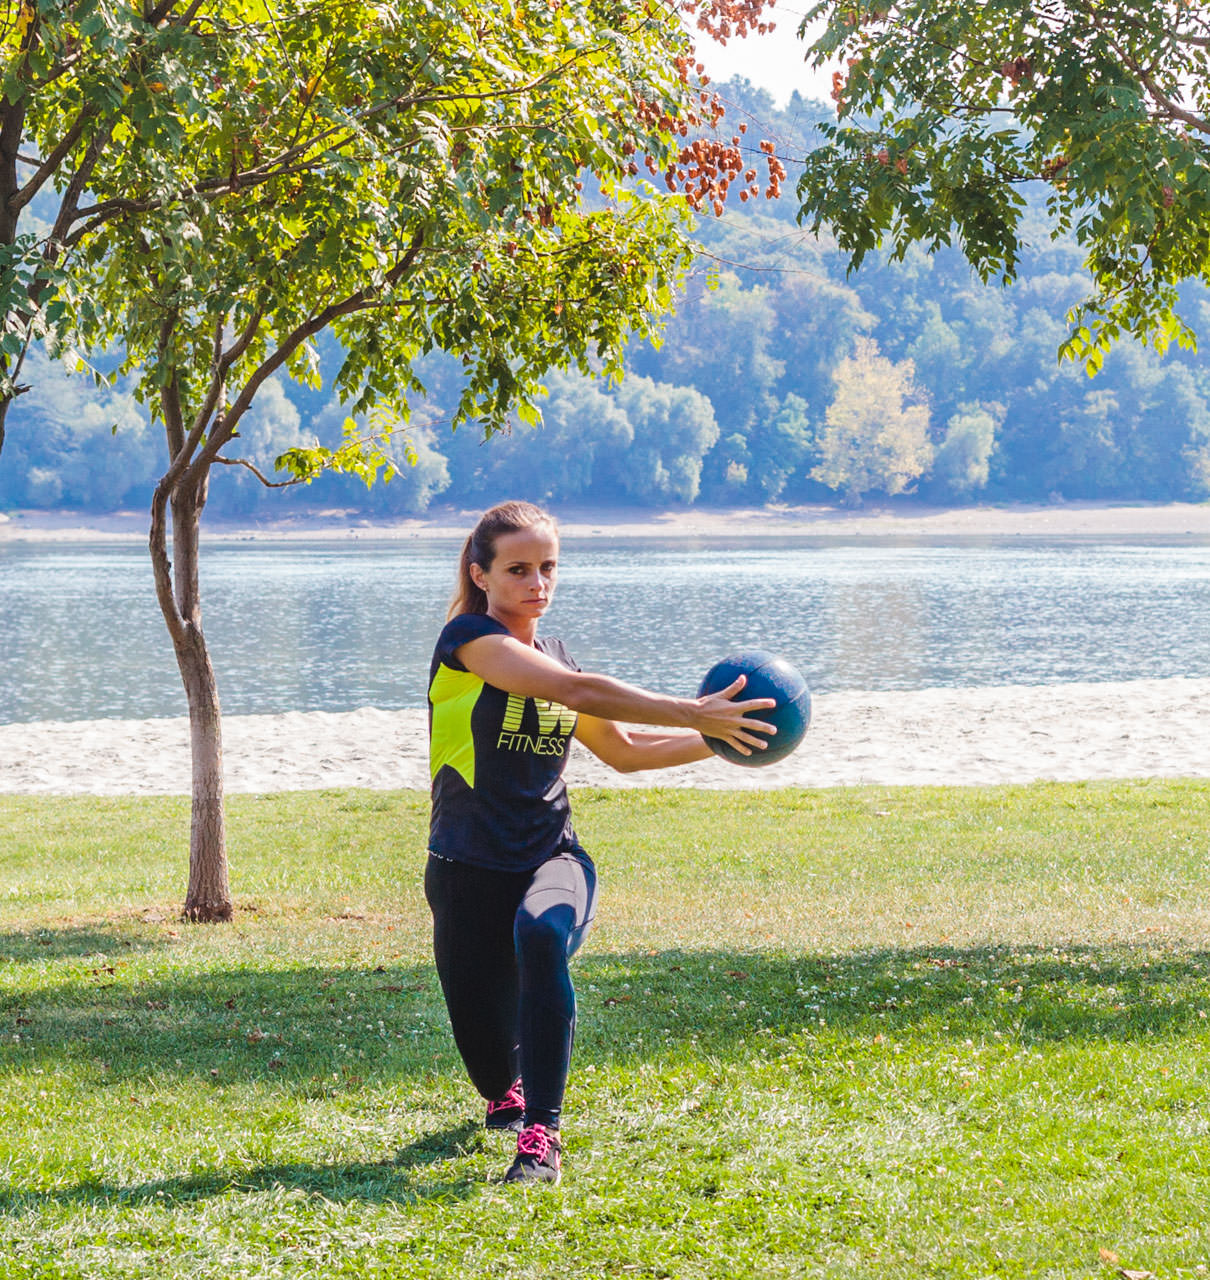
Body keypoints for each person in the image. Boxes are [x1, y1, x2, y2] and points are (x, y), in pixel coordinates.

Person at [425, 500, 775, 1185]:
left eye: (548, 567)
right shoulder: (468, 644)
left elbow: (626, 751)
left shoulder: (555, 654)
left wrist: (723, 739)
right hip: (466, 869)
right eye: (518, 569)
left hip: (550, 855)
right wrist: (693, 710)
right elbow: (577, 689)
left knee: (542, 935)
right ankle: (509, 1096)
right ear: (482, 574)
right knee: (492, 1067)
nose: (538, 583)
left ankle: (542, 1139)